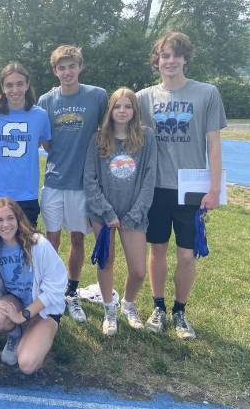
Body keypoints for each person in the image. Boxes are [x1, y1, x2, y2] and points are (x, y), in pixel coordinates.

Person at [136, 31, 226, 340]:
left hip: (191, 187)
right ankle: (158, 307)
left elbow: (214, 144)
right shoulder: (144, 98)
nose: (170, 60)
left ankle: (180, 311)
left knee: (187, 255)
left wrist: (214, 188)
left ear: (186, 58)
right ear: (157, 60)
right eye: (164, 55)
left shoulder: (206, 93)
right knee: (157, 248)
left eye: (176, 55)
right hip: (156, 186)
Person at [37, 45, 108, 323]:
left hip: (82, 183)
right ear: (55, 71)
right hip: (54, 180)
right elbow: (45, 140)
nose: (67, 72)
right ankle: (49, 289)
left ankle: (71, 291)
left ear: (80, 67)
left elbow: (108, 129)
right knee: (51, 240)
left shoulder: (97, 96)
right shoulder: (46, 100)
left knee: (77, 238)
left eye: (71, 66)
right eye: (61, 67)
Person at [83, 87, 157, 336]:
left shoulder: (146, 137)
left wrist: (135, 213)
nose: (122, 111)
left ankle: (128, 304)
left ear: (134, 110)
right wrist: (106, 212)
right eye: (117, 106)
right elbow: (90, 179)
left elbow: (149, 178)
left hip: (133, 214)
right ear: (110, 110)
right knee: (106, 261)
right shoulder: (98, 139)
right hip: (103, 213)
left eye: (128, 106)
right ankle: (109, 310)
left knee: (138, 269)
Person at [0, 198, 66, 374]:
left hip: (45, 310)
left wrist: (23, 315)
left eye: (10, 218)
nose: (5, 224)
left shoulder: (38, 244)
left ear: (18, 219)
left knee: (27, 364)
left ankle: (38, 331)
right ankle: (15, 334)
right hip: (17, 301)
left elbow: (56, 288)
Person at [0, 62, 51, 226]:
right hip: (0, 190)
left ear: (27, 85)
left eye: (20, 84)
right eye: (9, 85)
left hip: (27, 192)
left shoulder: (40, 115)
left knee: (26, 244)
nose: (15, 90)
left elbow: (46, 145)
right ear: (2, 87)